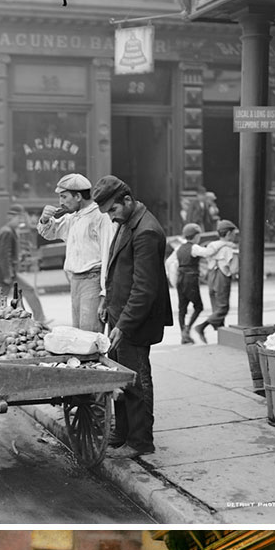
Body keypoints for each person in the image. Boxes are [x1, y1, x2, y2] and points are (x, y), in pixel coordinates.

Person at [93, 175, 172, 459]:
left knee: (137, 380)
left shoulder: (146, 231)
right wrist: (107, 303)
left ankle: (140, 441)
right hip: (121, 315)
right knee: (120, 377)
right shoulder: (128, 222)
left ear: (127, 199)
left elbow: (144, 289)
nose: (111, 217)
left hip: (135, 322)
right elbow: (119, 270)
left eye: (113, 210)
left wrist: (123, 325)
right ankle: (122, 432)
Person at [36, 173, 114, 332]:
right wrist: (44, 219)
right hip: (75, 281)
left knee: (89, 335)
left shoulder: (100, 217)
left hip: (93, 280)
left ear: (78, 196)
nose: (61, 202)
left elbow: (109, 255)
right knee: (78, 335)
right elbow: (50, 232)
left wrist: (105, 294)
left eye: (64, 197)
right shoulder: (73, 218)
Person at [0, 205, 45, 321]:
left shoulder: (10, 231)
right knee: (27, 290)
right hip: (7, 272)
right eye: (18, 218)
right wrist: (7, 274)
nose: (20, 221)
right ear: (11, 218)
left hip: (7, 271)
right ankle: (40, 318)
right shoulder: (7, 232)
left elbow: (8, 253)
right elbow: (4, 255)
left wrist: (19, 257)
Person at [194, 220, 239, 342]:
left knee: (216, 307)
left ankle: (221, 336)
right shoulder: (229, 249)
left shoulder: (211, 246)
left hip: (211, 277)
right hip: (221, 277)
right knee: (223, 307)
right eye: (234, 233)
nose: (235, 236)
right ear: (229, 233)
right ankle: (201, 326)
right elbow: (234, 269)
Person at [165, 223, 206, 344]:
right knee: (198, 306)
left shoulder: (179, 248)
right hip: (191, 279)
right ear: (196, 236)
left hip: (180, 280)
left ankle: (183, 334)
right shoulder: (195, 248)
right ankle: (187, 329)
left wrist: (174, 277)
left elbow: (169, 262)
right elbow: (207, 253)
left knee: (182, 308)